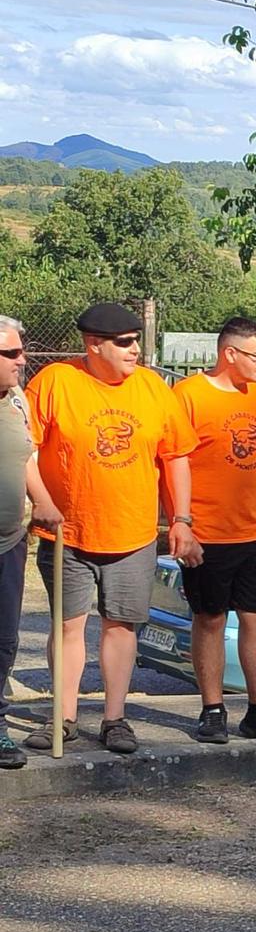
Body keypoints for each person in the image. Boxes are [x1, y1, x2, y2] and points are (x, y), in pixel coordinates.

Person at [24, 301, 201, 755]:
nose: (135, 350)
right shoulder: (56, 382)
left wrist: (181, 519)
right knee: (68, 627)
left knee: (121, 627)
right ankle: (62, 719)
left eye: (137, 340)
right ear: (93, 345)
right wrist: (41, 503)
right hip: (69, 533)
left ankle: (114, 719)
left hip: (134, 534)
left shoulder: (153, 388)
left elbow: (176, 456)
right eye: (124, 343)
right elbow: (26, 450)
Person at [170, 317, 256, 751]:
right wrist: (181, 523)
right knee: (210, 620)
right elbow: (174, 462)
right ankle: (212, 710)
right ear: (230, 354)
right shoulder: (189, 395)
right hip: (207, 533)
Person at [0, 315, 39, 768]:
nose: (21, 360)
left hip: (9, 542)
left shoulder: (17, 401)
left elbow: (27, 457)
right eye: (10, 353)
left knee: (4, 640)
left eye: (20, 350)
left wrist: (43, 502)